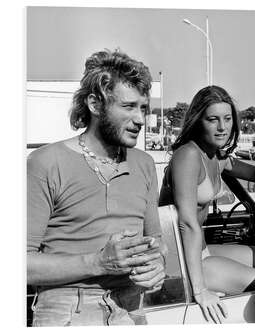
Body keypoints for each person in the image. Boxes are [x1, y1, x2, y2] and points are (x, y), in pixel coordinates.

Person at [27, 49, 166, 326]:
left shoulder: (145, 164)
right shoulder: (45, 163)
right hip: (66, 307)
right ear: (95, 104)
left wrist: (156, 266)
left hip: (131, 307)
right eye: (128, 107)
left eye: (143, 108)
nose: (140, 119)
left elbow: (158, 242)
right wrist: (98, 262)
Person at [158, 85, 255, 324]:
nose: (222, 127)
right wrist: (200, 290)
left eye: (227, 119)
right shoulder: (188, 155)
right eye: (213, 119)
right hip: (182, 262)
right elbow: (187, 223)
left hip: (202, 250)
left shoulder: (217, 157)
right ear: (198, 121)